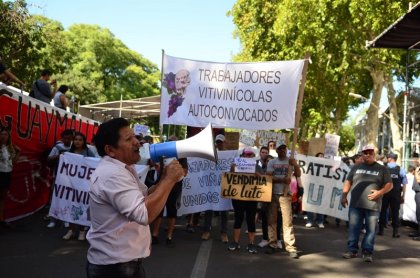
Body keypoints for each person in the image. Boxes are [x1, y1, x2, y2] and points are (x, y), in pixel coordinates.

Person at [86, 118, 184, 278]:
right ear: (110, 150)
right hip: (115, 268)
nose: (137, 142)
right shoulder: (112, 174)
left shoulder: (123, 168)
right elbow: (144, 213)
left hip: (122, 264)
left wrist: (165, 177)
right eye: (128, 139)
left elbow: (146, 196)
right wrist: (169, 180)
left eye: (135, 137)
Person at [341, 144, 392, 263]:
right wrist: (344, 196)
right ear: (362, 154)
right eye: (365, 152)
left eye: (370, 152)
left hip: (373, 205)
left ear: (374, 154)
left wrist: (380, 192)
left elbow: (390, 185)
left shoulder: (382, 168)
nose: (368, 154)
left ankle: (367, 251)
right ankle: (352, 250)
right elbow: (348, 181)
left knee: (371, 230)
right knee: (353, 228)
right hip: (356, 204)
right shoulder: (356, 167)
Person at [265, 144, 301, 259]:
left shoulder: (291, 161)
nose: (282, 150)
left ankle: (290, 247)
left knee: (287, 221)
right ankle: (272, 244)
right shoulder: (272, 162)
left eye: (284, 148)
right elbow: (268, 177)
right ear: (276, 150)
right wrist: (282, 179)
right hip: (272, 194)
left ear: (286, 150)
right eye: (280, 148)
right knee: (272, 220)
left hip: (286, 195)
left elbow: (298, 174)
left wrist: (295, 165)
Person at [62, 132, 97, 241]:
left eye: (80, 140)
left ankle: (82, 231)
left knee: (82, 206)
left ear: (84, 141)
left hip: (84, 186)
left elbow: (95, 164)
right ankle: (71, 230)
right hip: (71, 185)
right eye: (76, 139)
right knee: (70, 206)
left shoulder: (88, 152)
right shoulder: (69, 152)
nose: (77, 141)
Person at [150, 157, 188, 246]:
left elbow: (185, 173)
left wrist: (172, 171)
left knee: (172, 211)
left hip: (175, 187)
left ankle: (169, 237)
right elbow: (159, 171)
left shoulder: (182, 156)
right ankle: (155, 235)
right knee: (159, 210)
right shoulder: (163, 155)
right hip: (162, 185)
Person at [228, 147, 258, 254]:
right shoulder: (236, 165)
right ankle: (235, 242)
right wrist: (233, 169)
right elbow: (229, 178)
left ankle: (251, 243)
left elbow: (264, 179)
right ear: (243, 155)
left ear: (253, 156)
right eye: (246, 154)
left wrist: (257, 175)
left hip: (252, 197)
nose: (248, 156)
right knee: (238, 218)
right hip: (238, 197)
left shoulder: (256, 166)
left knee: (251, 220)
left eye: (250, 155)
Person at [201, 134, 229, 243]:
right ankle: (206, 231)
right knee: (209, 209)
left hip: (224, 186)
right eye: (218, 142)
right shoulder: (210, 154)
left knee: (224, 211)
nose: (219, 144)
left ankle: (224, 233)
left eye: (221, 142)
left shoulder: (228, 155)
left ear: (224, 143)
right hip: (211, 186)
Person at [46, 129, 74, 228]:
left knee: (67, 197)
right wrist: (59, 156)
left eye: (69, 139)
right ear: (62, 138)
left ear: (72, 138)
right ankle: (53, 219)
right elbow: (49, 159)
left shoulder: (74, 147)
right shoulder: (57, 147)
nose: (66, 140)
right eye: (65, 138)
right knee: (55, 197)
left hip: (70, 178)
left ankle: (65, 218)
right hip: (57, 176)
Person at [255, 146, 282, 249]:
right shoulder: (261, 170)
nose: (270, 163)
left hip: (276, 197)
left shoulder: (277, 171)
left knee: (278, 219)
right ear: (266, 163)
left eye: (272, 161)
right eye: (268, 161)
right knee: (265, 219)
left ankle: (278, 239)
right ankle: (265, 239)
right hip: (265, 198)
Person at [378, 153, 407, 238]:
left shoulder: (383, 168)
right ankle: (395, 232)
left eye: (387, 158)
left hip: (384, 193)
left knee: (382, 211)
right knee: (395, 212)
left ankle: (381, 230)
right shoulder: (401, 169)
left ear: (390, 159)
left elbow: (379, 181)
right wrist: (403, 196)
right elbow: (404, 184)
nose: (386, 159)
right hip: (396, 194)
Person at [0, 127, 20, 229]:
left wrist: (18, 153)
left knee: (2, 198)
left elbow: (13, 162)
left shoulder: (9, 148)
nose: (3, 136)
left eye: (5, 134)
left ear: (9, 137)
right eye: (2, 134)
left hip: (6, 174)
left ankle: (1, 220)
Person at [306, 152, 326, 228]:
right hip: (312, 186)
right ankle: (310, 221)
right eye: (320, 156)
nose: (321, 157)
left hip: (322, 187)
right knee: (310, 204)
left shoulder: (326, 166)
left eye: (322, 156)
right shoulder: (312, 165)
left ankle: (320, 221)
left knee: (321, 205)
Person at [407, 165, 420, 239]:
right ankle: (418, 232)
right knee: (418, 214)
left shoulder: (417, 170)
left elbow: (418, 180)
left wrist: (416, 172)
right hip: (417, 193)